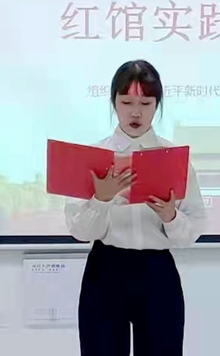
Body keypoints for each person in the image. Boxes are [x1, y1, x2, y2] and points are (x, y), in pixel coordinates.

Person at [64, 60, 207, 356]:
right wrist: (101, 199)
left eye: (146, 103)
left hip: (157, 272)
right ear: (114, 102)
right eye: (127, 102)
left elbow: (192, 230)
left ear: (157, 105)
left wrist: (170, 216)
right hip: (106, 269)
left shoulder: (174, 158)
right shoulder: (93, 157)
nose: (136, 112)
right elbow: (80, 231)